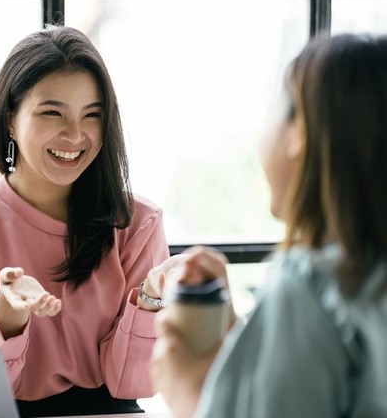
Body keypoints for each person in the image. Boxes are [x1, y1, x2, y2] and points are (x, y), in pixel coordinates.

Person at [0, 25, 186, 417]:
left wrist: (149, 299)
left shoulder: (138, 223)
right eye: (53, 113)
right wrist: (6, 318)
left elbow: (133, 383)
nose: (75, 135)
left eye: (92, 115)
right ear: (11, 118)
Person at [150, 33, 387, 418]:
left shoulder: (308, 288)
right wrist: (244, 349)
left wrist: (189, 394)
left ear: (301, 133)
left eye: (272, 111)